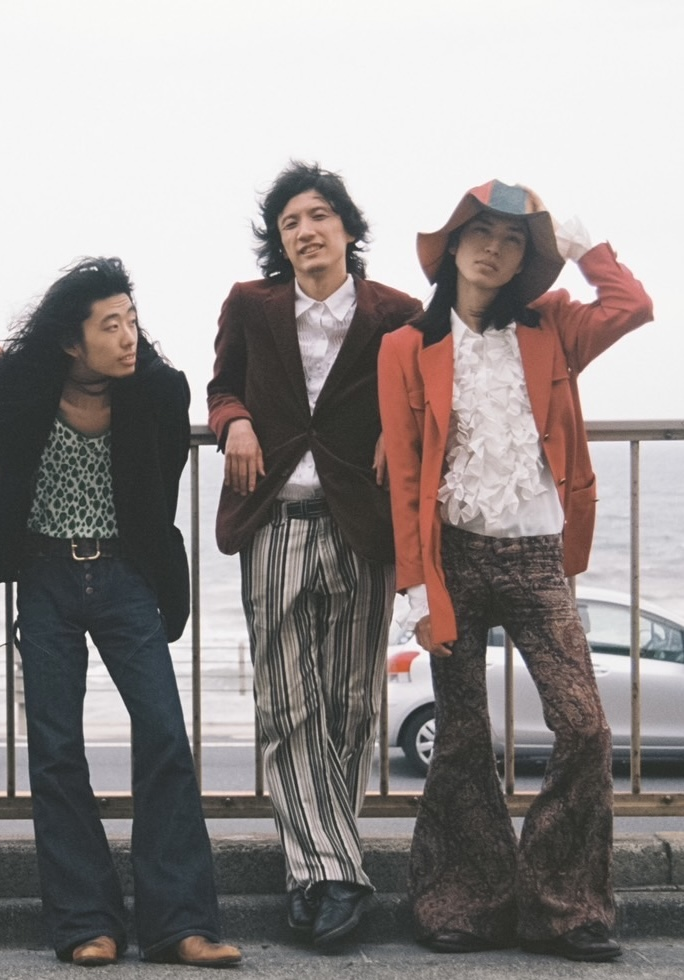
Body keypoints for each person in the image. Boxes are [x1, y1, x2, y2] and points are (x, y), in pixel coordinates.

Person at [0, 257, 241, 968]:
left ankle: (181, 923)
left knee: (165, 734)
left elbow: (159, 487)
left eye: (131, 320)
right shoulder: (24, 392)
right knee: (56, 750)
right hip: (45, 577)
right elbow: (0, 486)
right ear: (72, 341)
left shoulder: (158, 393)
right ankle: (85, 922)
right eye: (110, 325)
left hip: (125, 576)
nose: (129, 336)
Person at [378, 180, 653, 962]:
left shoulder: (553, 325)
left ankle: (563, 907)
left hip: (537, 557)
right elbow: (406, 477)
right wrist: (417, 589)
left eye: (512, 241)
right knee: (461, 737)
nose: (494, 250)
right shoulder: (406, 347)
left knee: (585, 727)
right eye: (482, 233)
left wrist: (583, 245)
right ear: (454, 244)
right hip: (454, 555)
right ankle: (462, 903)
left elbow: (631, 306)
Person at [207, 162, 421, 949]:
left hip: (362, 522)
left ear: (348, 229)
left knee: (351, 703)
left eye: (319, 215)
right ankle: (338, 872)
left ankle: (314, 874)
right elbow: (221, 386)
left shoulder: (398, 312)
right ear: (280, 240)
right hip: (277, 519)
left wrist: (400, 435)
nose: (305, 230)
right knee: (286, 701)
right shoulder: (251, 304)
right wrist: (234, 422)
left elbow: (423, 397)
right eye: (290, 221)